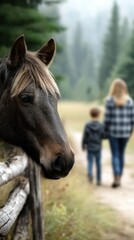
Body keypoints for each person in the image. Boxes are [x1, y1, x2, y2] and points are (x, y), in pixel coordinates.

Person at [104, 78, 134, 188]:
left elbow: (107, 119)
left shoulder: (109, 100)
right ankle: (119, 177)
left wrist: (105, 131)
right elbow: (132, 119)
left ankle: (116, 176)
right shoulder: (130, 101)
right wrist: (130, 132)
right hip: (125, 132)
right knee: (121, 154)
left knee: (115, 154)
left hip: (113, 132)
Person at [82, 106, 106, 185]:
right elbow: (103, 135)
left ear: (90, 114)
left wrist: (83, 145)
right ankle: (99, 180)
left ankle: (90, 175)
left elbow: (85, 136)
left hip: (90, 147)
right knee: (98, 163)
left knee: (90, 162)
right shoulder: (100, 125)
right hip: (98, 147)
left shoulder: (88, 125)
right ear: (99, 115)